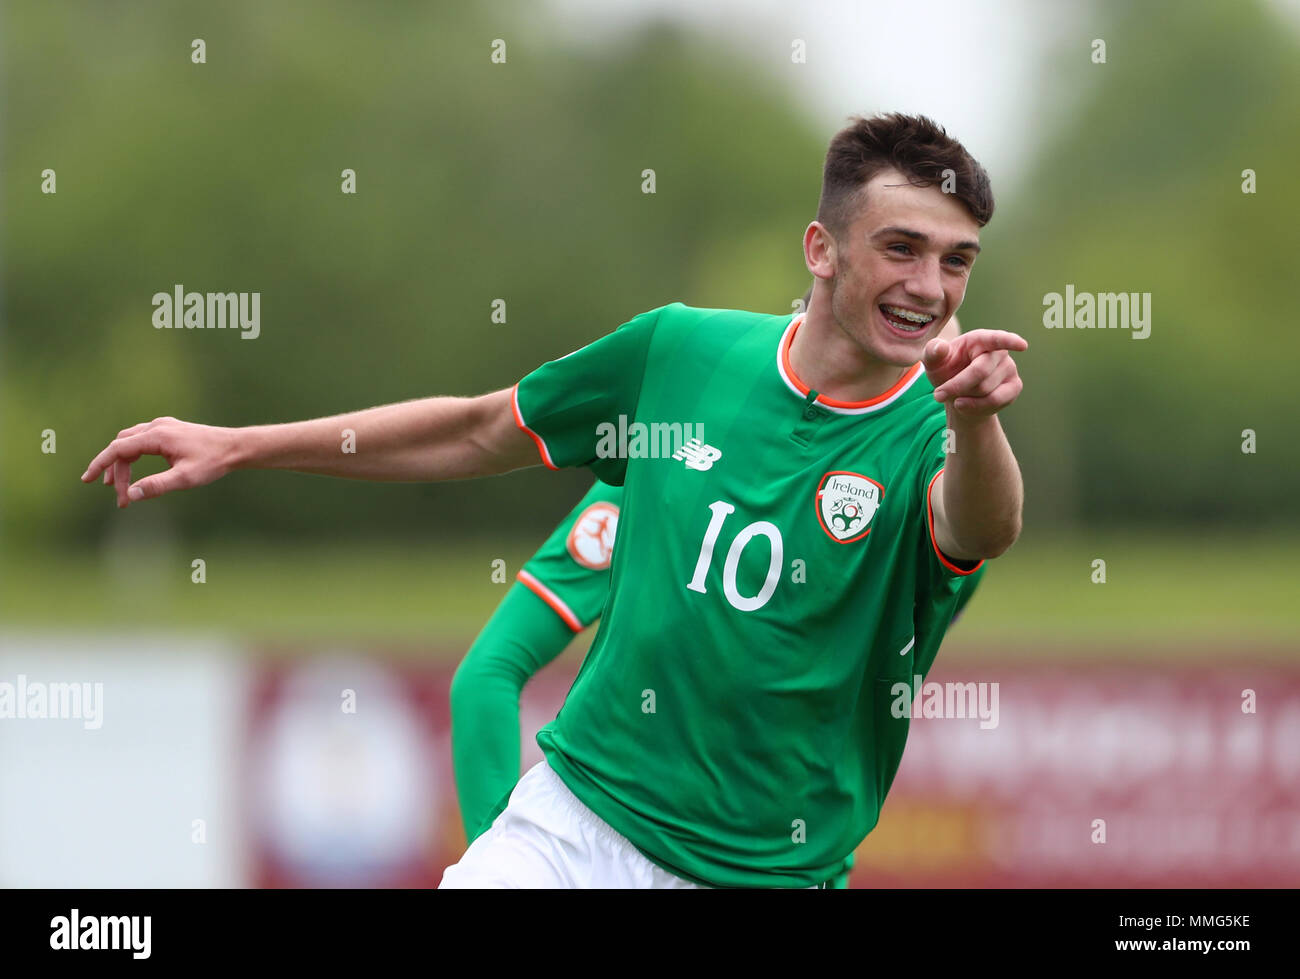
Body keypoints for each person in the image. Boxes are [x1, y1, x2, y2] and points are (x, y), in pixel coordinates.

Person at [82, 112, 1025, 888]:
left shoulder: (940, 431)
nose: (929, 287)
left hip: (768, 872)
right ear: (822, 249)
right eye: (902, 248)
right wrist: (240, 445)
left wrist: (978, 421)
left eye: (956, 261)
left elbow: (982, 528)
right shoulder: (679, 351)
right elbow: (475, 428)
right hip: (575, 827)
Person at [450, 305, 985, 890]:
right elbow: (489, 671)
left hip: (781, 869)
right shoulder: (669, 464)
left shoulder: (933, 515)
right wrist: (505, 850)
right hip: (598, 840)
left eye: (916, 384)